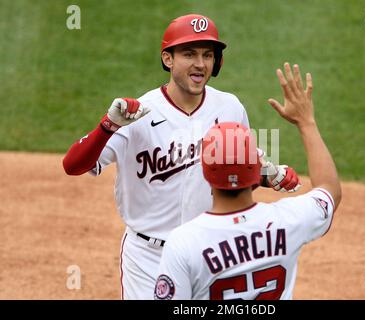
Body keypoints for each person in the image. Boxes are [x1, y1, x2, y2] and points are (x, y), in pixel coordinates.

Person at [62, 14, 300, 300]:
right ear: (168, 59)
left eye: (207, 55)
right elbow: (73, 165)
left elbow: (236, 175)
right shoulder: (138, 113)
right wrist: (107, 126)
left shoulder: (230, 107)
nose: (200, 64)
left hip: (212, 253)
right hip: (150, 258)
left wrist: (269, 176)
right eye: (189, 54)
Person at [154, 63, 342, 300]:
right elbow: (330, 190)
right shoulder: (289, 221)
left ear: (205, 173)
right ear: (257, 171)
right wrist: (306, 123)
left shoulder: (184, 242)